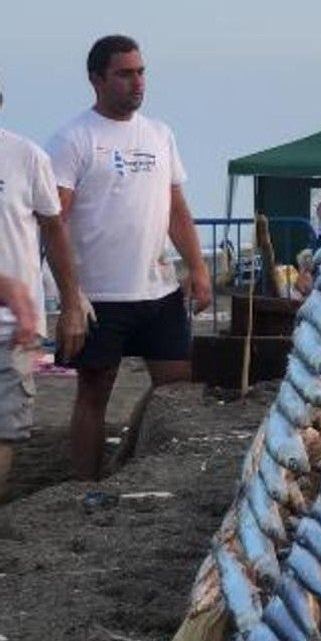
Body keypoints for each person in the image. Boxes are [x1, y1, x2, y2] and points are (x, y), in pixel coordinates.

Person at [46, 34, 211, 480]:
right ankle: (85, 484)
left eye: (140, 72)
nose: (137, 82)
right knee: (95, 390)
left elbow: (176, 208)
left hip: (158, 289)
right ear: (96, 79)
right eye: (124, 74)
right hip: (98, 295)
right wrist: (70, 297)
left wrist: (197, 267)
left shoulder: (160, 134)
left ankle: (147, 465)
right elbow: (53, 221)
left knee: (177, 386)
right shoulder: (73, 139)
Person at [1, 87, 87, 499]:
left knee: (5, 426)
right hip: (15, 306)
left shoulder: (26, 155)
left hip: (15, 325)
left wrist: (71, 302)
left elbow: (54, 229)